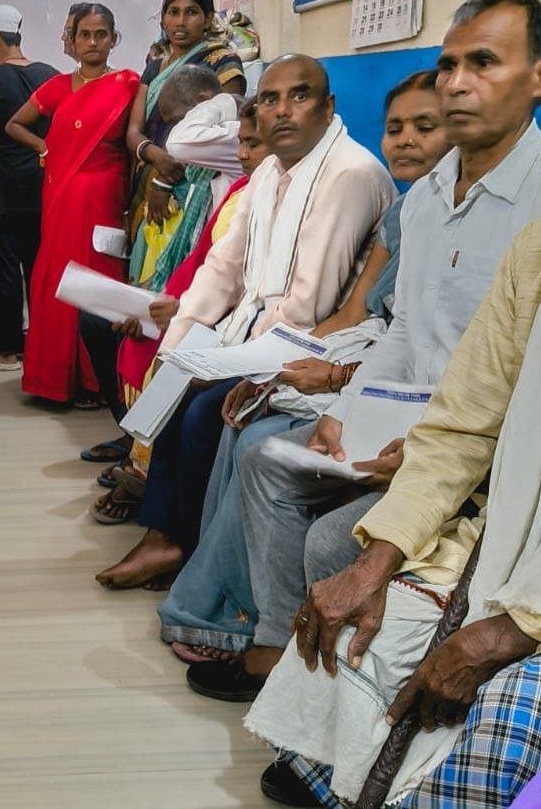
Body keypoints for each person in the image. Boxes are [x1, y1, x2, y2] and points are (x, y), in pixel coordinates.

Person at [237, 0, 541, 698]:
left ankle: (313, 690)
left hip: (484, 464)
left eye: (484, 63)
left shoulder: (540, 202)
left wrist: (421, 449)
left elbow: (517, 402)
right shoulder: (431, 195)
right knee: (267, 462)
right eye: (448, 65)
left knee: (331, 539)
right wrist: (348, 410)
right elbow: (403, 328)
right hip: (417, 430)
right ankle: (278, 653)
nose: (458, 83)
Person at [246, 208, 541, 808]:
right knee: (360, 627)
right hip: (517, 527)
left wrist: (515, 626)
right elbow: (462, 426)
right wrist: (378, 560)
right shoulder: (538, 247)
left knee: (504, 714)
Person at [158, 71, 449, 684]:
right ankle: (235, 608)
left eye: (426, 127)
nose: (405, 142)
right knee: (239, 408)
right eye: (396, 127)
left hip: (405, 387)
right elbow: (357, 313)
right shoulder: (413, 209)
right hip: (361, 352)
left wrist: (328, 372)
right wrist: (283, 365)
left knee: (254, 431)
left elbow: (326, 306)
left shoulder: (355, 178)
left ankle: (238, 618)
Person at [95, 54, 395, 591]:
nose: (282, 112)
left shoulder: (350, 174)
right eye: (270, 100)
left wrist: (227, 358)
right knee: (177, 377)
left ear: (328, 108)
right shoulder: (272, 173)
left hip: (317, 343)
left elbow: (309, 304)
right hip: (260, 333)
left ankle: (181, 543)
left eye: (298, 97)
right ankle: (169, 537)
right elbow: (223, 267)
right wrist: (183, 342)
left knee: (204, 408)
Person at [79, 64, 235, 467]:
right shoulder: (205, 166)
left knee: (126, 329)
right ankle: (133, 431)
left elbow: (183, 145)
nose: (168, 136)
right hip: (184, 286)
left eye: (175, 120)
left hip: (213, 304)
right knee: (93, 316)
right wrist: (163, 182)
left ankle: (144, 450)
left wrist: (221, 100)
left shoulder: (231, 150)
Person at [9, 4, 139, 405]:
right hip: (62, 195)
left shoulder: (129, 84)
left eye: (102, 34)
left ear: (114, 39)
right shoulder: (57, 86)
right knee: (60, 275)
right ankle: (57, 378)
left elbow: (134, 143)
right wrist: (44, 147)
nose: (93, 42)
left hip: (107, 196)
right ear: (72, 39)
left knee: (100, 275)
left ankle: (99, 380)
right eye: (85, 34)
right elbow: (14, 124)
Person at [125, 0, 246, 288]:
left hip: (192, 185)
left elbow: (225, 122)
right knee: (145, 259)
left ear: (207, 19)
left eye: (191, 12)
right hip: (149, 176)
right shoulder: (154, 65)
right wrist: (155, 158)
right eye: (173, 12)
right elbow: (134, 130)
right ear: (163, 17)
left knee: (179, 270)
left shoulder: (222, 61)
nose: (180, 22)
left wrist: (166, 178)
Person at [0, 4, 58, 373]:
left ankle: (6, 351)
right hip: (44, 190)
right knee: (40, 269)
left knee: (5, 271)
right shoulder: (50, 75)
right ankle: (41, 345)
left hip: (4, 193)